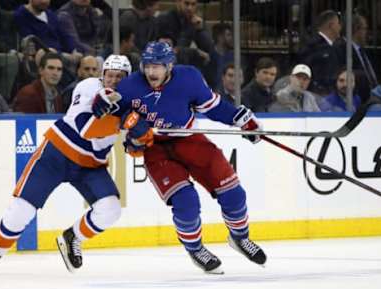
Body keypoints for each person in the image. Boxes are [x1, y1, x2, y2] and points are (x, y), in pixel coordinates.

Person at [94, 42, 266, 274]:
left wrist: (241, 119)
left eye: (158, 66)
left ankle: (240, 238)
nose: (152, 72)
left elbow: (213, 107)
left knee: (233, 193)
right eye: (148, 66)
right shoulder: (129, 86)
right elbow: (112, 117)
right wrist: (131, 137)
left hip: (189, 140)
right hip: (155, 149)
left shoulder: (190, 78)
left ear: (170, 66)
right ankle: (196, 249)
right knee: (186, 202)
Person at [0, 54, 146, 273]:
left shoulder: (133, 104)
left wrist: (139, 139)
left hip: (90, 165)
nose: (114, 80)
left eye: (120, 77)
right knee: (21, 209)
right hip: (56, 155)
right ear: (103, 75)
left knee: (111, 210)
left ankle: (73, 237)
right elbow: (85, 127)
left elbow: (133, 149)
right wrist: (116, 118)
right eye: (110, 75)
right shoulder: (89, 86)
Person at [297, 10, 342, 95]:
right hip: (319, 97)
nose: (340, 27)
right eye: (338, 23)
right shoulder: (314, 46)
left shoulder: (333, 47)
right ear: (331, 25)